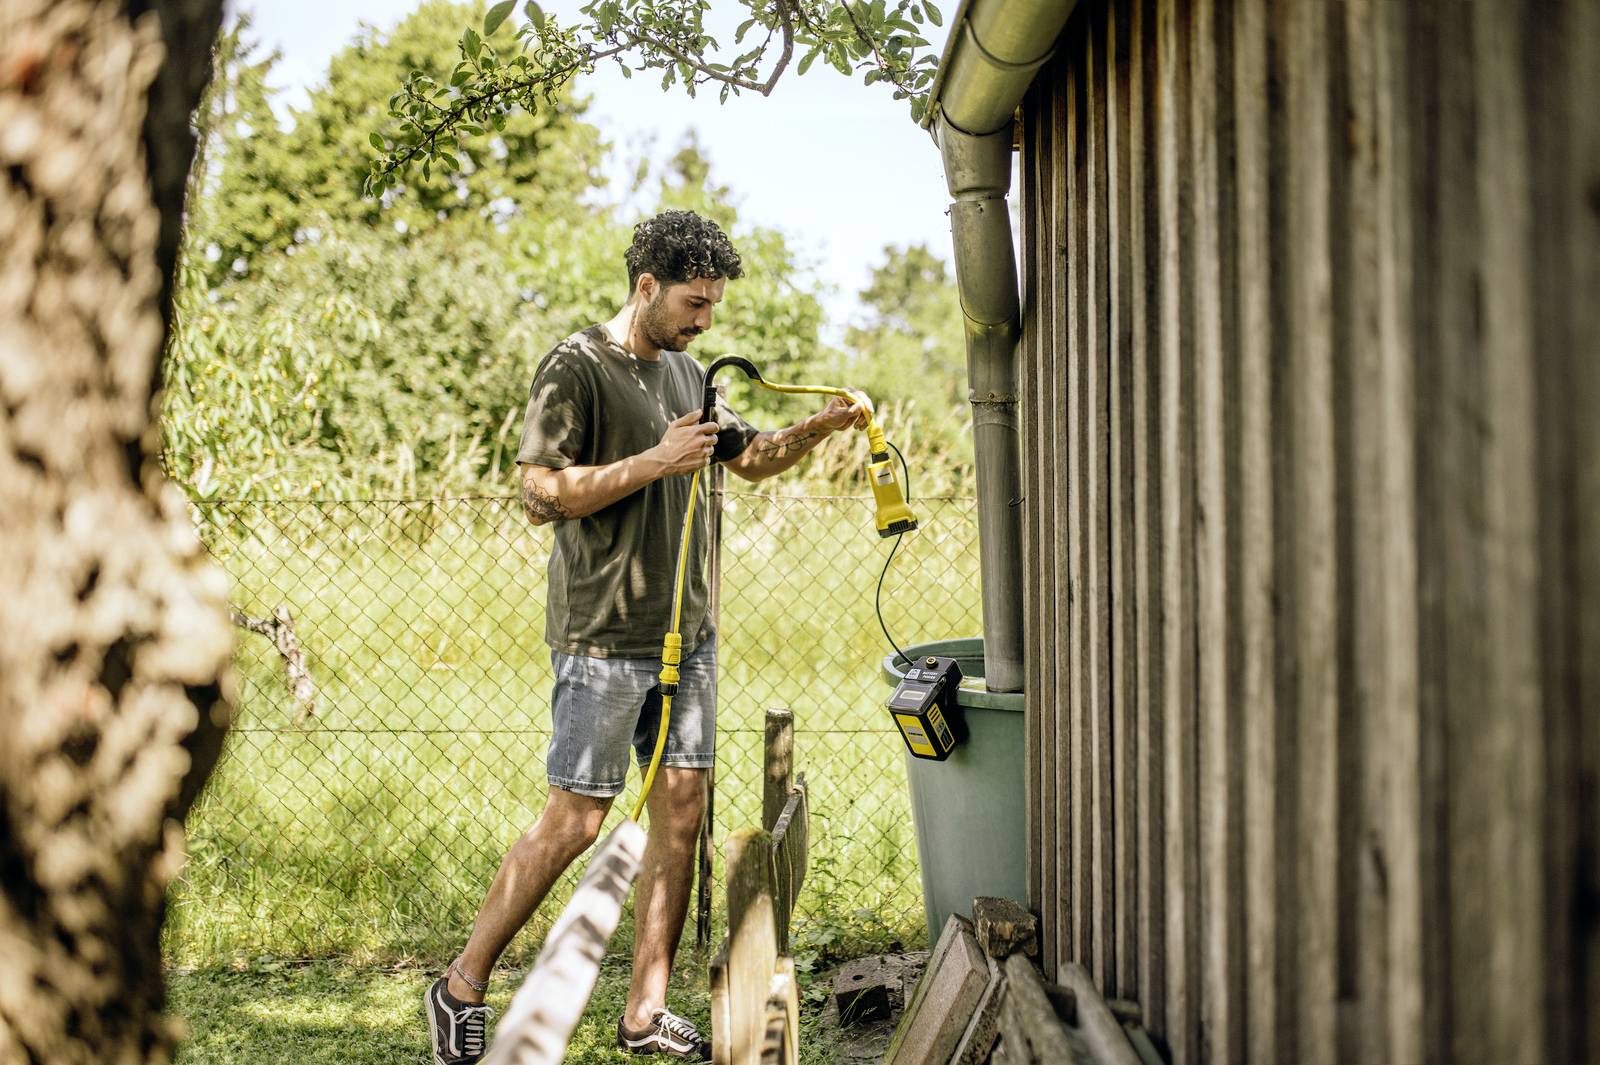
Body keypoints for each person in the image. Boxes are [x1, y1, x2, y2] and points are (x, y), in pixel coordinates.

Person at [425, 209, 866, 1064]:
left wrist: (825, 426)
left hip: (686, 640)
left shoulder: (690, 373)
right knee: (576, 820)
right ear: (647, 286)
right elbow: (539, 492)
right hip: (603, 637)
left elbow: (752, 455)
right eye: (694, 303)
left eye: (712, 306)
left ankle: (643, 1012)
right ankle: (461, 986)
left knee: (681, 817)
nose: (705, 321)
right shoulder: (577, 367)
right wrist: (653, 462)